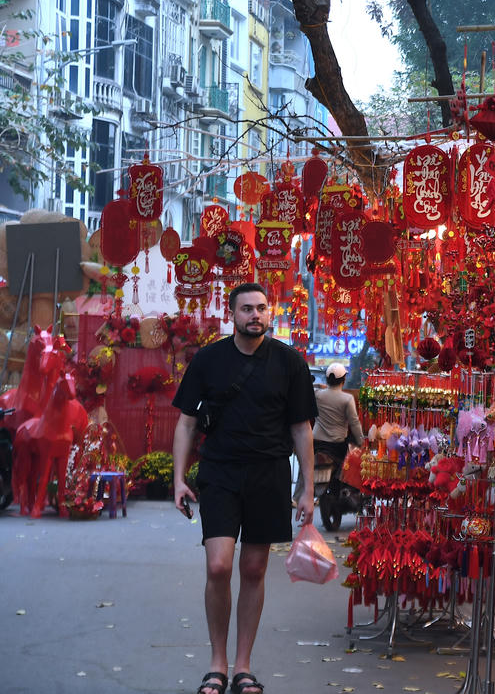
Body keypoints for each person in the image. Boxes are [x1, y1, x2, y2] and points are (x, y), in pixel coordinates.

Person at [172, 282, 317, 694]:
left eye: (262, 308)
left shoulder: (289, 362)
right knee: (218, 566)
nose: (256, 315)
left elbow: (301, 429)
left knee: (254, 569)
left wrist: (307, 488)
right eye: (247, 309)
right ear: (232, 315)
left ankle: (242, 666)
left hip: (269, 473)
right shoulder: (209, 359)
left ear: (270, 313)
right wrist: (179, 478)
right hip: (219, 472)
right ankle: (216, 662)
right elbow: (186, 422)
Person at [296, 363, 364, 502]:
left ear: (327, 379)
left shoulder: (317, 394)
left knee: (305, 467)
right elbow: (354, 423)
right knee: (351, 466)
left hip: (316, 443)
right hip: (337, 445)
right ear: (343, 380)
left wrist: (319, 386)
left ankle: (297, 497)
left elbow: (306, 388)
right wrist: (361, 441)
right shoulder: (347, 399)